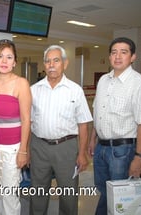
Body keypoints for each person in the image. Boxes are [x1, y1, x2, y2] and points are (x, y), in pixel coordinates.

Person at [89, 37, 141, 215]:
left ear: (132, 57)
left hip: (123, 150)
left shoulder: (140, 84)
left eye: (123, 52)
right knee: (104, 190)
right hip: (101, 148)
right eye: (114, 52)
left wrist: (139, 158)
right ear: (109, 56)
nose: (117, 56)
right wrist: (93, 139)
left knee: (120, 196)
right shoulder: (103, 80)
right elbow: (98, 113)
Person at [30, 45, 92, 215]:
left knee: (68, 192)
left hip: (66, 148)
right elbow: (27, 122)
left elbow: (83, 124)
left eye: (56, 60)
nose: (51, 64)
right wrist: (26, 150)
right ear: (44, 64)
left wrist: (82, 153)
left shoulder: (75, 90)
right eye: (48, 61)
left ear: (65, 63)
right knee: (38, 191)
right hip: (39, 147)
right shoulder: (34, 90)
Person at [0, 39, 32, 215]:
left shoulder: (21, 84)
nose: (4, 61)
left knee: (9, 194)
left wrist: (23, 151)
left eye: (9, 57)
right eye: (0, 56)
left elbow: (26, 120)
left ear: (15, 62)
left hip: (12, 148)